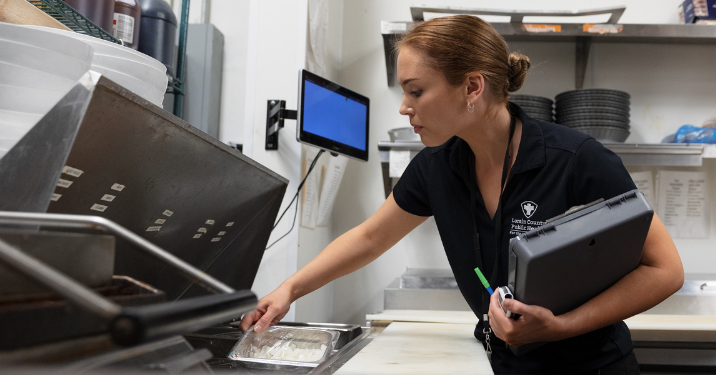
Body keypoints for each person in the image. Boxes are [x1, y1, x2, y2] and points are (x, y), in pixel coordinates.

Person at [240, 15, 684, 375]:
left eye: (415, 90)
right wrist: (289, 290)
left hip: (591, 366)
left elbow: (665, 270)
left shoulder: (575, 158)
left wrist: (560, 327)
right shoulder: (436, 168)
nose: (403, 106)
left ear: (472, 87)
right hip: (499, 363)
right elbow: (370, 238)